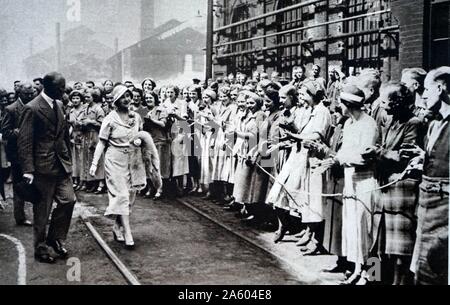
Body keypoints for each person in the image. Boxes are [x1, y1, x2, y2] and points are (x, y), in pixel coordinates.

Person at [18, 72, 76, 264]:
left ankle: (55, 238)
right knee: (42, 211)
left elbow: (63, 137)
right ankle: (41, 248)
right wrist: (28, 170)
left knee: (68, 200)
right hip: (42, 167)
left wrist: (68, 158)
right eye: (60, 88)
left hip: (61, 165)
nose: (64, 90)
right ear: (47, 87)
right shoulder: (32, 108)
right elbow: (25, 141)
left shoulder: (59, 105)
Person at [329, 84, 379, 285]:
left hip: (366, 181)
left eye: (341, 103)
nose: (339, 106)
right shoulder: (349, 124)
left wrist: (341, 159)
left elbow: (364, 158)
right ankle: (357, 270)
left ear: (348, 104)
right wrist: (338, 158)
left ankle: (372, 275)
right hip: (350, 180)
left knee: (367, 229)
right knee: (353, 228)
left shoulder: (369, 124)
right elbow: (346, 153)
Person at [90, 85, 148, 249]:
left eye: (128, 96)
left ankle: (117, 226)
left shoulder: (136, 117)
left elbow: (140, 136)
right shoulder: (110, 118)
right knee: (121, 194)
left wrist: (139, 142)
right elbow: (102, 142)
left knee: (130, 196)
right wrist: (95, 163)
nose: (127, 100)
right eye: (123, 97)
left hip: (133, 159)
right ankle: (127, 232)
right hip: (114, 159)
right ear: (116, 100)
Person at [374, 81, 421, 285]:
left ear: (397, 102)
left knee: (400, 248)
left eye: (385, 101)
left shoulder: (413, 123)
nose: (382, 105)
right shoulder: (391, 120)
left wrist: (379, 152)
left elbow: (404, 156)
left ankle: (399, 283)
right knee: (380, 243)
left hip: (401, 190)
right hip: (386, 188)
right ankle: (375, 279)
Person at [408, 67, 450, 285]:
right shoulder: (434, 123)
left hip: (444, 211)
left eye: (426, 89)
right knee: (423, 268)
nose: (423, 95)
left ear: (440, 88)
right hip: (426, 207)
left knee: (437, 267)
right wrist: (423, 160)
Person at [1, 82, 36, 226]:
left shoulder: (35, 106)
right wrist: (15, 132)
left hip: (34, 153)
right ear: (19, 94)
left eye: (31, 93)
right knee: (19, 186)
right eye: (26, 94)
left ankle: (40, 215)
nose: (29, 96)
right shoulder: (11, 109)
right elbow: (5, 131)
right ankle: (20, 217)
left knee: (37, 185)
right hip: (17, 155)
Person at [144, 91, 169, 200]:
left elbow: (163, 124)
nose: (149, 100)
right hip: (147, 141)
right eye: (147, 98)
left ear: (155, 99)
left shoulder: (161, 110)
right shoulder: (144, 111)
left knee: (158, 166)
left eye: (151, 98)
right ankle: (150, 188)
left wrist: (152, 120)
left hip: (159, 140)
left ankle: (160, 189)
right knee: (148, 166)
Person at [67, 91, 86, 190]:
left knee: (82, 159)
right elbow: (71, 125)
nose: (75, 100)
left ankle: (83, 181)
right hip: (74, 136)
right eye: (73, 98)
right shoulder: (71, 111)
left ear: (81, 99)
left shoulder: (85, 110)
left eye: (77, 98)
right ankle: (75, 179)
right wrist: (69, 136)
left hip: (83, 135)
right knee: (75, 159)